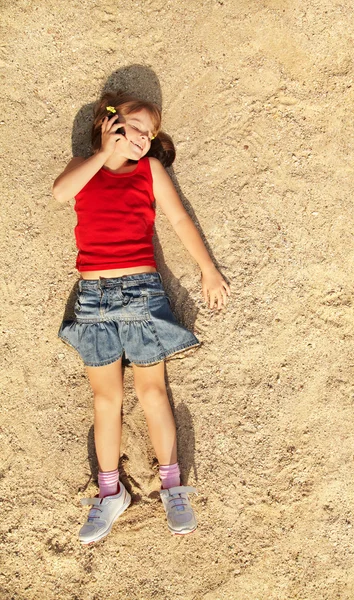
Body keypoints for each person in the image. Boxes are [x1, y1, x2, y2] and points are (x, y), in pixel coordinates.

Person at [53, 91, 230, 544]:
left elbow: (178, 220)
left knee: (153, 391)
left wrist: (208, 270)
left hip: (141, 292)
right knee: (105, 401)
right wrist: (103, 153)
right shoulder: (84, 167)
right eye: (137, 128)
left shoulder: (150, 170)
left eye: (151, 134)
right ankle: (110, 493)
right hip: (92, 297)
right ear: (110, 122)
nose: (144, 140)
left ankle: (173, 487)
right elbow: (61, 192)